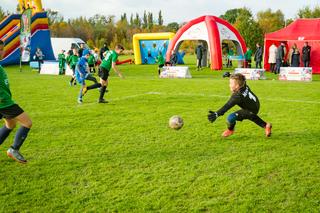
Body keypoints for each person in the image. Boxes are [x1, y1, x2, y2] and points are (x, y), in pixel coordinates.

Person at [207, 73, 272, 138]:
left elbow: (227, 106)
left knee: (231, 117)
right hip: (256, 104)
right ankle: (266, 125)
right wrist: (230, 75)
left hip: (251, 109)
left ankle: (230, 130)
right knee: (250, 115)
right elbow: (242, 79)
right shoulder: (244, 85)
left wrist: (217, 114)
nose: (229, 85)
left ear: (237, 86)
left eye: (231, 83)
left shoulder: (237, 96)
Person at [0, 40, 32, 163]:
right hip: (4, 103)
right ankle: (14, 149)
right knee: (27, 122)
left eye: (2, 49)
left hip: (4, 101)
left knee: (10, 124)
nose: (2, 52)